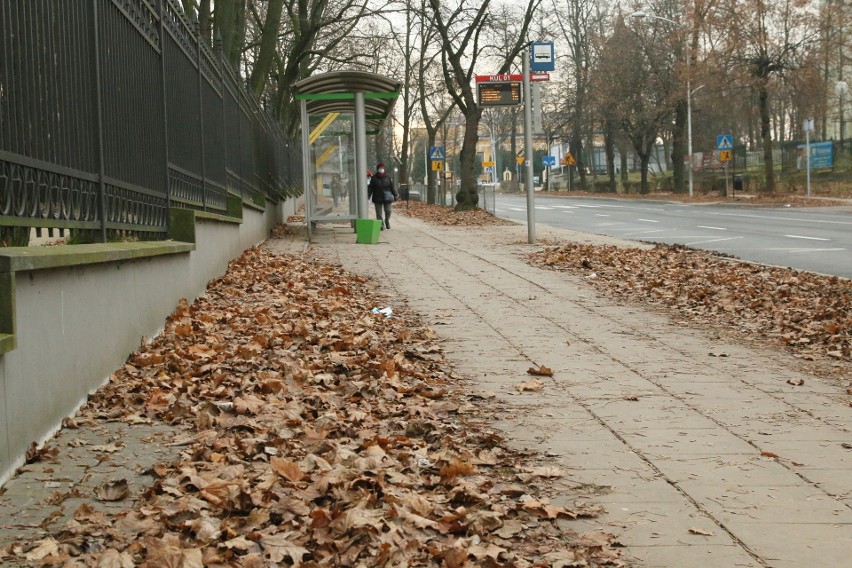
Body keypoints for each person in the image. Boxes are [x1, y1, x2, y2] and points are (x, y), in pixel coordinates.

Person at [367, 161, 398, 229]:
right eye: (380, 168)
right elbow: (370, 188)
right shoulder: (374, 178)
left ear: (384, 169)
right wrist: (368, 196)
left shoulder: (388, 177)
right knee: (378, 213)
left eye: (382, 168)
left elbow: (391, 186)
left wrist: (395, 194)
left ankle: (387, 220)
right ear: (377, 169)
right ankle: (381, 225)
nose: (381, 169)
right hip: (377, 197)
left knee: (388, 210)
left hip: (387, 197)